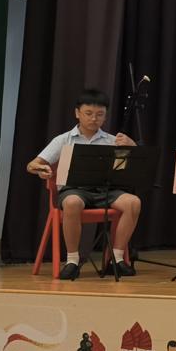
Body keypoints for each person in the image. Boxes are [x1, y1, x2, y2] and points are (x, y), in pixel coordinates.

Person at [25, 88, 141, 280]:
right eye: (88, 113)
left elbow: (132, 169)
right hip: (74, 190)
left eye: (100, 114)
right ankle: (72, 261)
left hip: (105, 190)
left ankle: (116, 258)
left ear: (105, 116)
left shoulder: (113, 140)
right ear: (77, 113)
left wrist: (132, 147)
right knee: (72, 202)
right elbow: (32, 164)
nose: (94, 119)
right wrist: (41, 169)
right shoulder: (63, 139)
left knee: (133, 202)